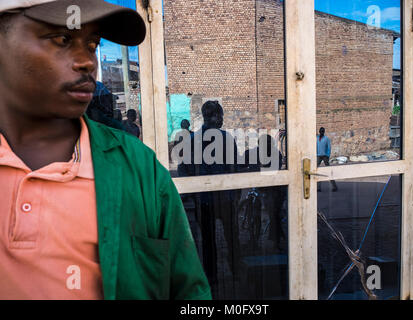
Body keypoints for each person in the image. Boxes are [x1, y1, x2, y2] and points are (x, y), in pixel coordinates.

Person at [0, 0, 210, 300]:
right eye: (62, 39)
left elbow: (190, 293)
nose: (87, 61)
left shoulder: (139, 169)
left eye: (92, 44)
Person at [177, 101, 241, 290]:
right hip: (224, 198)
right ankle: (235, 273)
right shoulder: (225, 138)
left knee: (209, 242)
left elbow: (184, 169)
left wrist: (192, 191)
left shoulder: (193, 139)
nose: (221, 119)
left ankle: (212, 278)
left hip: (205, 200)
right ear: (211, 117)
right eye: (219, 115)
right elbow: (234, 169)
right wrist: (236, 193)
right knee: (231, 238)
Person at [317, 127, 338, 192]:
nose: (321, 132)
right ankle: (318, 188)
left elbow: (329, 147)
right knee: (317, 171)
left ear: (324, 132)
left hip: (325, 156)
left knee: (329, 171)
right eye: (321, 131)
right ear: (319, 132)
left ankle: (334, 187)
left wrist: (327, 155)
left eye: (322, 131)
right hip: (318, 156)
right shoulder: (316, 138)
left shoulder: (326, 139)